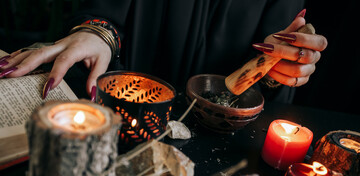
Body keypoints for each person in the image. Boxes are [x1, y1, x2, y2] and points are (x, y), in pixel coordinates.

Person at [0, 0, 327, 103]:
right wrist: (97, 31)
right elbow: (105, 9)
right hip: (119, 110)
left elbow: (275, 57)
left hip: (219, 133)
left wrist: (282, 64)